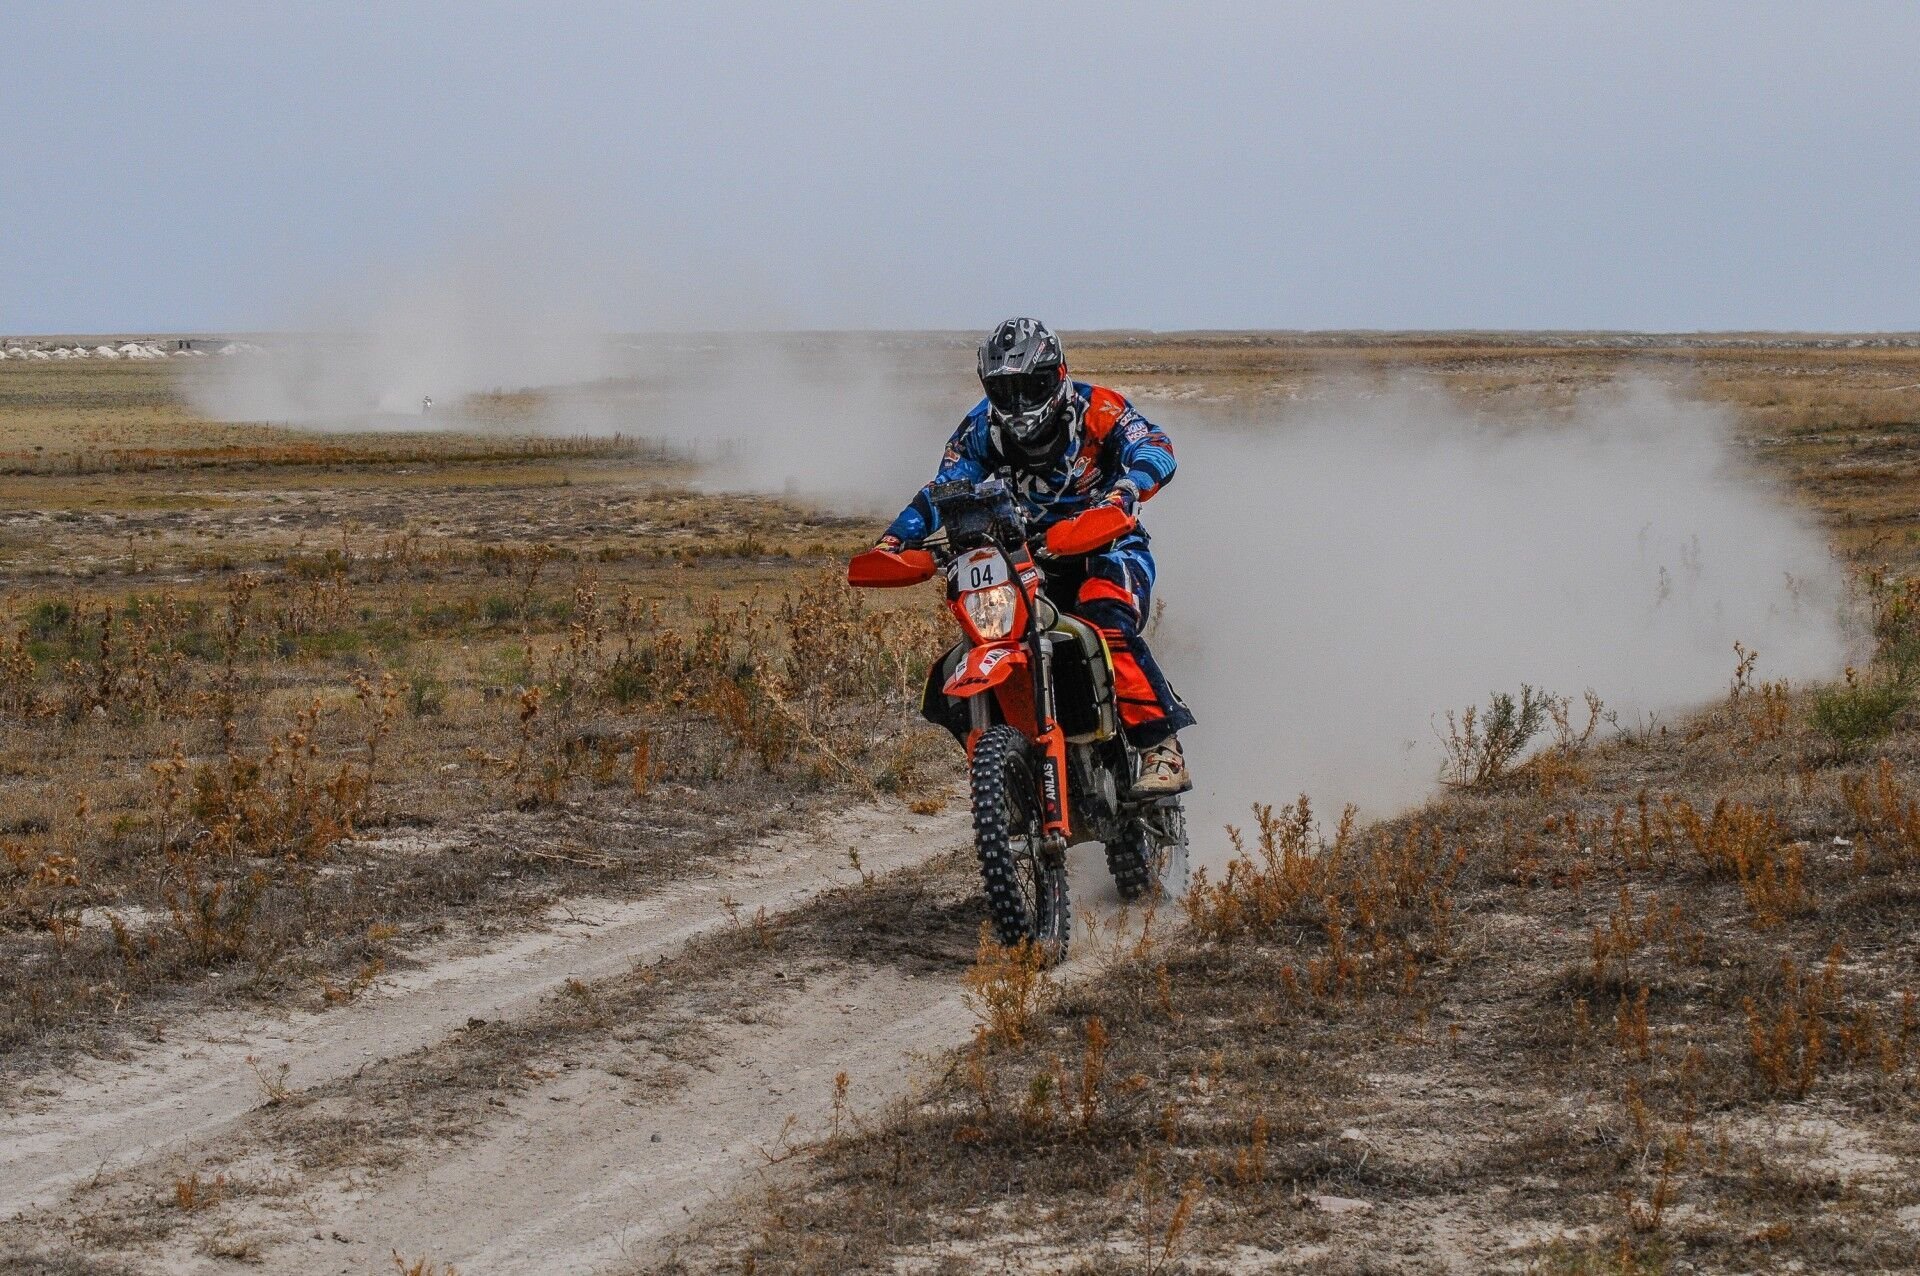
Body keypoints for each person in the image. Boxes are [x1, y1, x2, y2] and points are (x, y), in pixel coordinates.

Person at [878, 318, 1194, 793]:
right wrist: (896, 539)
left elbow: (1155, 446)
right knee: (956, 663)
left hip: (1108, 544)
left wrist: (1128, 489)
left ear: (1058, 374)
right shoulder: (979, 429)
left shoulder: (1099, 408)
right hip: (1024, 556)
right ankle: (1012, 766)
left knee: (1106, 620)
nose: (1020, 401)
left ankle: (1161, 747)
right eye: (1006, 390)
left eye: (1032, 386)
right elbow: (943, 489)